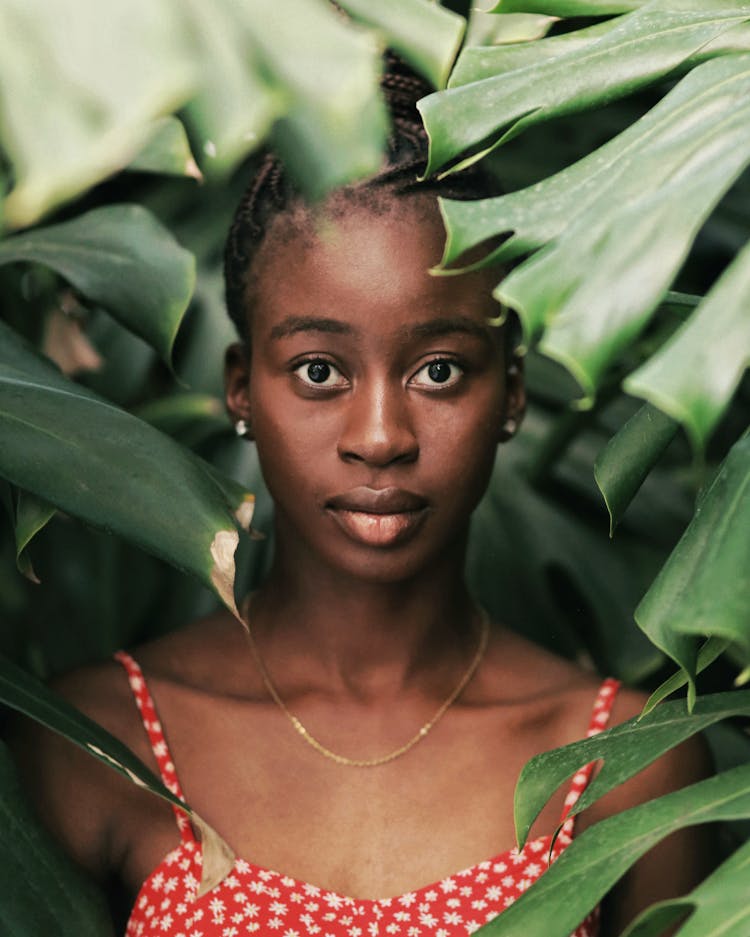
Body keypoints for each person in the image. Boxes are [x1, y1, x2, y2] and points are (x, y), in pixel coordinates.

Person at [12, 56, 713, 937]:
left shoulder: (626, 759)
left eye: (440, 369)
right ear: (240, 390)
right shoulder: (95, 741)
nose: (380, 435)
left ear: (514, 394)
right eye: (318, 370)